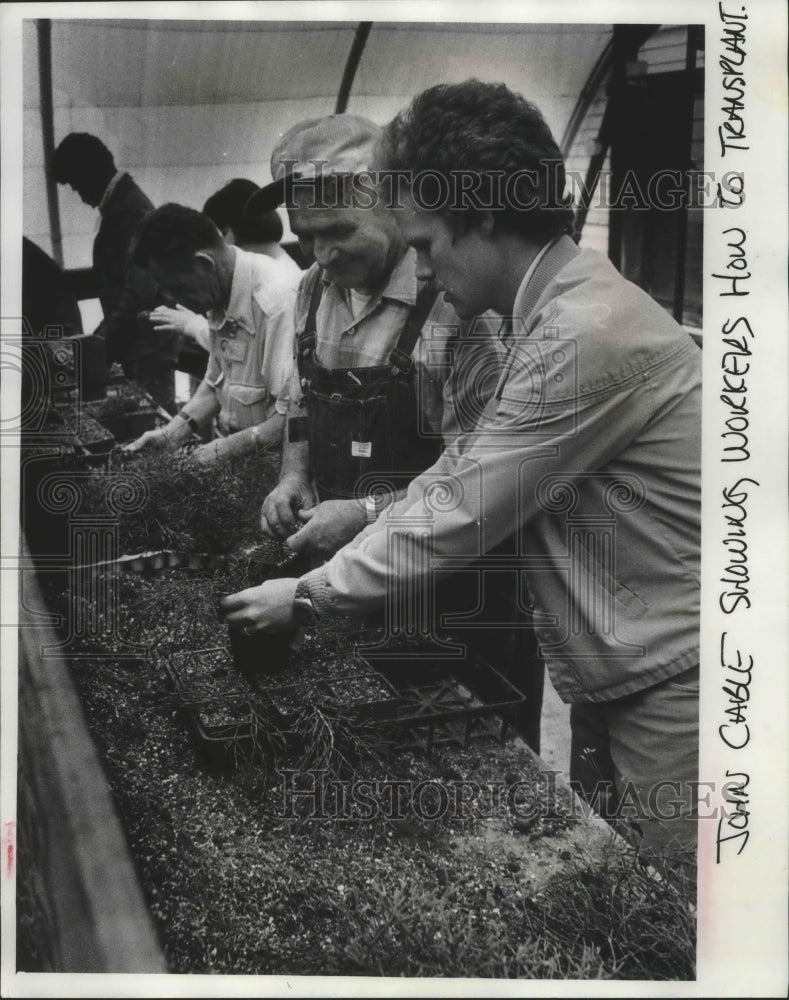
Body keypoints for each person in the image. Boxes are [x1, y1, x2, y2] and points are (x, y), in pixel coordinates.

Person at [221, 81, 702, 877]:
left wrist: (306, 597)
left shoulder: (586, 333)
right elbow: (462, 469)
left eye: (424, 243)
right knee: (627, 884)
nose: (424, 268)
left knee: (686, 914)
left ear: (479, 218)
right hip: (617, 674)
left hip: (672, 683)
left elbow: (463, 509)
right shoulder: (552, 313)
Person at [248, 113, 502, 564]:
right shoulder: (312, 288)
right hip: (336, 568)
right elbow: (301, 407)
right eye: (306, 236)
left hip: (427, 569)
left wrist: (366, 514)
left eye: (339, 231)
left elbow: (480, 480)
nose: (322, 256)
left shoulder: (457, 303)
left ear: (393, 204)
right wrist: (293, 476)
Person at [124, 204, 299, 463]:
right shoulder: (219, 293)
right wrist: (169, 434)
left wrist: (220, 451)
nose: (174, 299)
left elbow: (292, 418)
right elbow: (215, 384)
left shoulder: (276, 303)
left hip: (279, 470)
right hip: (244, 460)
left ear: (204, 264)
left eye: (176, 288)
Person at [51, 132, 179, 409]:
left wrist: (101, 346)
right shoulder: (121, 207)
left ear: (89, 173)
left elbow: (139, 293)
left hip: (148, 352)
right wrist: (97, 341)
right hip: (139, 346)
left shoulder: (130, 212)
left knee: (156, 432)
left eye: (76, 185)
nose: (80, 195)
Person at [147, 179, 302, 362]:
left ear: (225, 235)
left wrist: (194, 326)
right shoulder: (278, 269)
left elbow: (246, 351)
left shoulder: (276, 292)